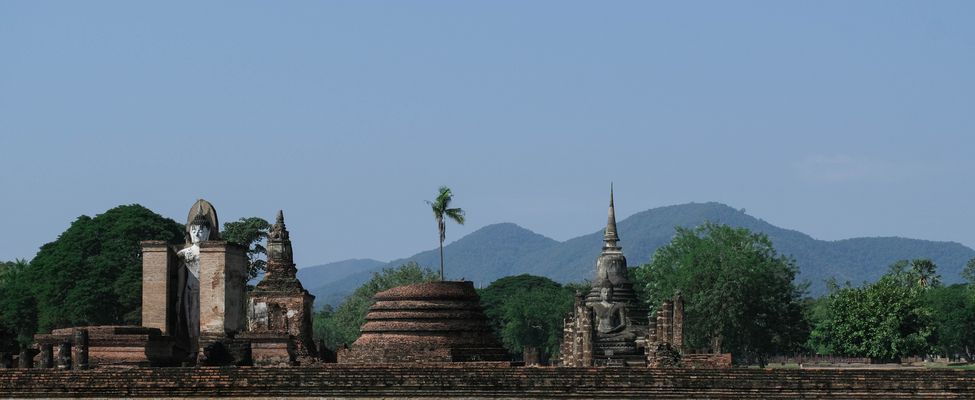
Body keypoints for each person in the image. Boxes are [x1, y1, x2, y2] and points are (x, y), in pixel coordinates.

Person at [175, 202, 218, 359]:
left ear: (208, 232)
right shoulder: (183, 253)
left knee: (205, 322)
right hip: (190, 290)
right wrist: (179, 298)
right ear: (189, 232)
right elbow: (180, 278)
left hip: (207, 292)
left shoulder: (213, 252)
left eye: (202, 230)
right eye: (194, 230)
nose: (198, 233)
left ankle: (203, 350)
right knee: (191, 322)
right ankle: (193, 349)